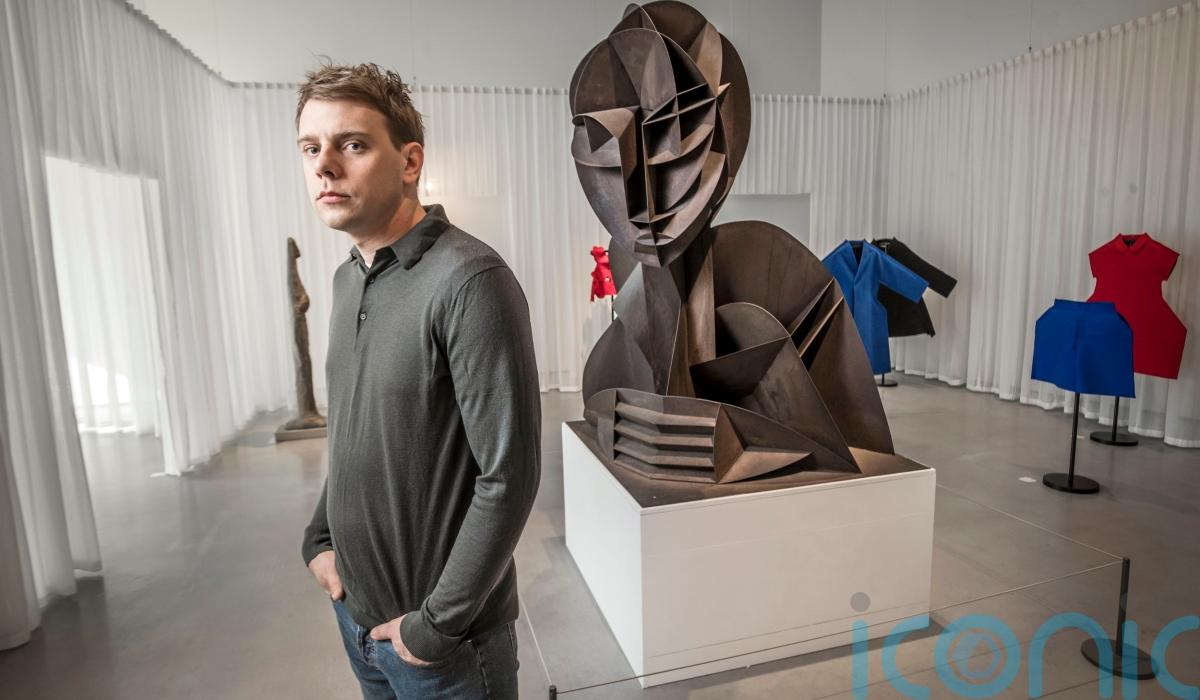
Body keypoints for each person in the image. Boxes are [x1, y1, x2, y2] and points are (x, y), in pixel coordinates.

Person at [295, 62, 541, 699]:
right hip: (357, 619)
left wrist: (435, 628)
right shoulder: (347, 279)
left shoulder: (470, 282)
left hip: (442, 648)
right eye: (310, 148)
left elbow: (509, 475)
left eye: (352, 144)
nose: (325, 166)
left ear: (409, 162)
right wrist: (320, 537)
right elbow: (355, 430)